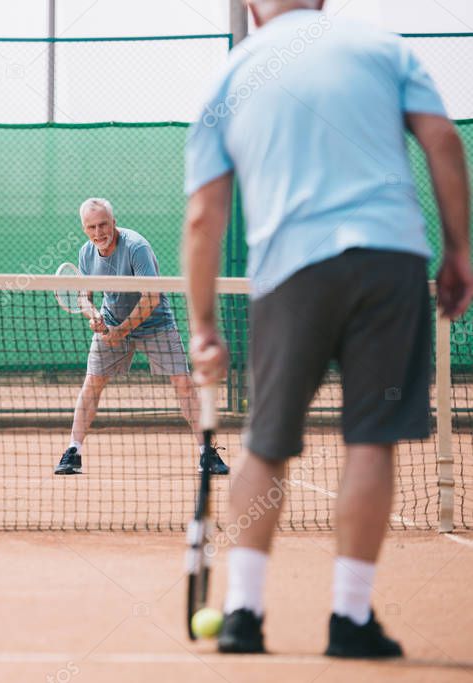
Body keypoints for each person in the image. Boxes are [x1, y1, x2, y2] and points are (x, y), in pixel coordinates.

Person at [183, 0, 473, 658]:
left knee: (264, 442)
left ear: (252, 8)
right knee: (371, 441)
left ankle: (242, 614)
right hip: (390, 260)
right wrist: (457, 251)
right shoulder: (382, 48)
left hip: (289, 273)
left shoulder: (229, 77)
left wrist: (203, 324)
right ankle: (349, 619)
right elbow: (444, 141)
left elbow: (203, 217)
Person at [54, 198, 230, 476]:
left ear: (114, 222)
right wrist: (93, 316)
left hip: (155, 323)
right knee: (92, 384)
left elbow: (151, 297)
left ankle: (207, 452)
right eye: (91, 227)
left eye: (103, 225)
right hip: (111, 320)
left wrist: (121, 331)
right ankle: (73, 451)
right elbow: (84, 297)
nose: (98, 232)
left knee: (183, 383)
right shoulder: (86, 254)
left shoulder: (137, 247)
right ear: (84, 228)